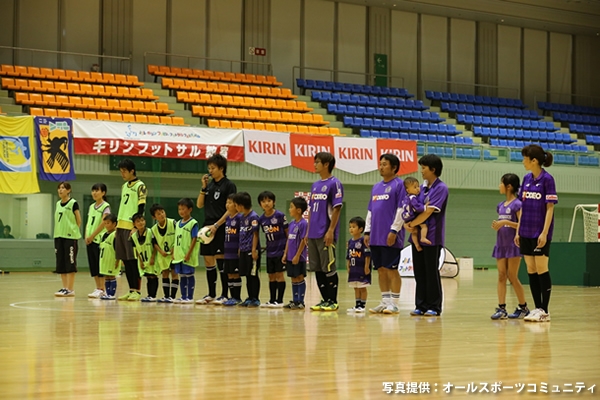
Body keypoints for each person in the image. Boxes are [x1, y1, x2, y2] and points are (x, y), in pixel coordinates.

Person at [515, 145, 557, 323]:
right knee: (530, 269)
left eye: (525, 158)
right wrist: (518, 230)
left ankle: (545, 310)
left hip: (540, 232)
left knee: (541, 269)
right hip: (525, 231)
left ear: (534, 161)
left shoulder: (548, 179)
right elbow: (522, 207)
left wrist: (545, 232)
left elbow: (550, 208)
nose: (523, 161)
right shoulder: (526, 179)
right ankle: (537, 308)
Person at [404, 154, 448, 317]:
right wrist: (408, 222)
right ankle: (420, 305)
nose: (421, 171)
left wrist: (412, 224)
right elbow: (414, 207)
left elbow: (429, 212)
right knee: (419, 272)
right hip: (416, 236)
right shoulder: (421, 189)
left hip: (432, 236)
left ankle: (434, 306)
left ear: (433, 169)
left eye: (424, 168)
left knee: (431, 271)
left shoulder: (441, 188)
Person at [365, 154, 406, 315]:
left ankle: (394, 303)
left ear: (394, 167)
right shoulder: (376, 187)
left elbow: (401, 209)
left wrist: (394, 230)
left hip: (390, 235)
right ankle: (385, 300)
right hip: (375, 236)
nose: (381, 167)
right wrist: (367, 231)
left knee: (391, 269)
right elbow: (370, 211)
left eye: (384, 164)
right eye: (380, 164)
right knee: (381, 269)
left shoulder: (399, 185)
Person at [196, 154, 237, 305]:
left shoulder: (229, 185)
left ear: (221, 168)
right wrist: (203, 188)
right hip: (207, 225)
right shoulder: (210, 185)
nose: (210, 171)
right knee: (208, 259)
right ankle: (211, 294)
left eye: (213, 168)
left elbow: (231, 209)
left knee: (221, 260)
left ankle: (224, 294)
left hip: (221, 225)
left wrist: (217, 225)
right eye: (209, 168)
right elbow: (199, 205)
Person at [307, 152, 344, 312]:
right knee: (317, 268)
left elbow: (336, 209)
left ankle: (332, 300)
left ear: (326, 164)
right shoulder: (315, 185)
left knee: (328, 267)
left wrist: (330, 230)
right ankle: (324, 299)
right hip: (313, 233)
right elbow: (311, 210)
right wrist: (307, 232)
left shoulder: (334, 183)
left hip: (325, 233)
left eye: (318, 162)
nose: (315, 165)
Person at [491, 173, 529, 320]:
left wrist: (505, 223)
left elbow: (522, 224)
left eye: (501, 183)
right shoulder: (500, 205)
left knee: (512, 276)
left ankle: (523, 307)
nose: (499, 186)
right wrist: (497, 225)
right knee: (501, 275)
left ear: (509, 186)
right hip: (501, 244)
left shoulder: (518, 204)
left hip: (513, 244)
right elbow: (502, 223)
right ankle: (501, 308)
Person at [116, 159, 147, 301]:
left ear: (132, 171)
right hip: (120, 226)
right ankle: (131, 289)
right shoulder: (123, 186)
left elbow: (141, 208)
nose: (122, 174)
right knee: (126, 261)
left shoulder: (140, 186)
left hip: (130, 227)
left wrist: (136, 226)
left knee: (133, 260)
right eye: (121, 171)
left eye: (124, 171)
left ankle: (137, 291)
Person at [258, 191, 289, 307]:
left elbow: (288, 234)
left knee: (279, 275)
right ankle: (272, 300)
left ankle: (280, 300)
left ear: (274, 202)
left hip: (280, 250)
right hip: (270, 251)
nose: (266, 203)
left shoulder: (280, 215)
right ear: (260, 204)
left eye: (269, 201)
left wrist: (287, 251)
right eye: (263, 201)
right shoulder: (261, 219)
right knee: (271, 276)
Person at [53, 182, 82, 297]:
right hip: (58, 236)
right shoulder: (57, 204)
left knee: (70, 263)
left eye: (63, 188)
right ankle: (65, 288)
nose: (60, 190)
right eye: (59, 188)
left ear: (69, 190)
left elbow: (78, 221)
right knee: (61, 264)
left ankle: (70, 289)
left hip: (70, 237)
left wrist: (72, 230)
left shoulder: (73, 203)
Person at [234, 192, 261, 307]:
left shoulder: (253, 216)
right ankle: (249, 297)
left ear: (241, 205)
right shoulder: (241, 217)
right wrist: (240, 247)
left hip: (251, 250)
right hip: (243, 250)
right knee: (247, 275)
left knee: (253, 274)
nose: (235, 207)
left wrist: (254, 250)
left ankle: (255, 298)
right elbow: (242, 234)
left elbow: (255, 234)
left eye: (236, 205)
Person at [84, 183, 111, 299]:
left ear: (103, 193)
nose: (94, 193)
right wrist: (86, 235)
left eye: (97, 190)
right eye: (93, 190)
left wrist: (93, 235)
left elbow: (103, 223)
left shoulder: (106, 206)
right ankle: (97, 287)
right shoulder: (91, 207)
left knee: (100, 265)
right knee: (93, 265)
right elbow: (88, 222)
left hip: (99, 239)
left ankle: (102, 288)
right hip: (89, 239)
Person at [282, 197, 309, 310]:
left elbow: (304, 240)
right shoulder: (292, 223)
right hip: (290, 256)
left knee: (299, 277)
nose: (289, 209)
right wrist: (285, 254)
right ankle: (295, 300)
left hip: (299, 256)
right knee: (293, 278)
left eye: (291, 207)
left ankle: (301, 301)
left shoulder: (303, 224)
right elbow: (289, 239)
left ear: (298, 210)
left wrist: (297, 255)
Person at [172, 198, 200, 304]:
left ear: (190, 209)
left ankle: (190, 296)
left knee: (189, 275)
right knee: (182, 275)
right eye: (179, 209)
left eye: (183, 209)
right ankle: (183, 296)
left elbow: (194, 239)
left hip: (188, 255)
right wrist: (174, 252)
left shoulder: (193, 223)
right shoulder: (178, 223)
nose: (181, 211)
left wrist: (189, 253)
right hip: (179, 255)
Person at [150, 204, 178, 303]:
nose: (162, 215)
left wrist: (174, 249)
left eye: (162, 212)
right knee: (165, 273)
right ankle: (166, 296)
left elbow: (178, 236)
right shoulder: (153, 229)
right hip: (162, 255)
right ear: (154, 217)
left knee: (174, 274)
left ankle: (173, 296)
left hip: (174, 253)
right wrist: (160, 251)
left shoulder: (173, 222)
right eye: (158, 214)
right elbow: (154, 243)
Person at [131, 214, 159, 302]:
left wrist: (153, 257)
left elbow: (155, 245)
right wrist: (140, 261)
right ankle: (149, 295)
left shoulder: (151, 232)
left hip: (152, 259)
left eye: (142, 220)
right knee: (148, 277)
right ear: (134, 224)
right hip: (143, 260)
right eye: (138, 221)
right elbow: (136, 249)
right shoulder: (134, 236)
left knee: (153, 276)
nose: (140, 223)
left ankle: (153, 295)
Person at [346, 217, 371, 313]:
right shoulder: (350, 242)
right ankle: (357, 305)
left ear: (360, 229)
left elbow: (367, 255)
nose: (351, 229)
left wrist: (366, 266)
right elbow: (348, 255)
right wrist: (348, 266)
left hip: (361, 268)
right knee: (355, 287)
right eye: (350, 227)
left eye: (353, 227)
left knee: (362, 287)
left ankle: (362, 306)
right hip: (353, 269)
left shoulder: (363, 241)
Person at [222, 194, 243, 306]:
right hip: (228, 251)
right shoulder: (228, 218)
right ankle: (231, 297)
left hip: (235, 252)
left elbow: (241, 235)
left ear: (236, 205)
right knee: (229, 274)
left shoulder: (239, 218)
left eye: (230, 203)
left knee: (236, 274)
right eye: (227, 202)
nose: (227, 205)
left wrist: (240, 247)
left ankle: (237, 297)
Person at [401, 177, 431, 252]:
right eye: (414, 187)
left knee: (414, 231)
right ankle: (423, 237)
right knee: (424, 226)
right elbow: (417, 207)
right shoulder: (413, 198)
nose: (417, 189)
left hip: (406, 217)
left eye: (418, 186)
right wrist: (425, 207)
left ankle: (416, 244)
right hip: (412, 216)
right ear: (408, 190)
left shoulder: (406, 198)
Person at [99, 214, 119, 300]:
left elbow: (118, 249)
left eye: (108, 223)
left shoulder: (115, 235)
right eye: (105, 223)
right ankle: (107, 293)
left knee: (112, 276)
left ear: (114, 224)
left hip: (112, 259)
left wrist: (118, 260)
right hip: (104, 260)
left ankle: (112, 294)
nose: (106, 225)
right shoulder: (103, 235)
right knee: (106, 276)